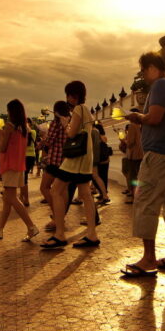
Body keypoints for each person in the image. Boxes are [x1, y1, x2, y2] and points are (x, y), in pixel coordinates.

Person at [122, 52, 165, 277]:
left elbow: (155, 117)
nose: (143, 75)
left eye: (143, 70)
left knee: (145, 202)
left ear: (152, 67)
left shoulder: (160, 85)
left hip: (160, 154)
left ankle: (148, 258)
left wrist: (137, 117)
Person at [41, 81, 100, 249]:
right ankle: (92, 234)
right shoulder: (87, 110)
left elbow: (71, 133)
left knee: (56, 190)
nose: (68, 99)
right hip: (86, 157)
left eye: (69, 95)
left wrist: (65, 122)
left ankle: (60, 234)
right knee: (85, 193)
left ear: (73, 95)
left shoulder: (79, 109)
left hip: (75, 158)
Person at [0, 100, 39, 242]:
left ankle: (31, 226)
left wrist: (0, 135)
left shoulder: (9, 126)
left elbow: (2, 148)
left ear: (11, 112)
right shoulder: (25, 128)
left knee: (12, 198)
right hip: (19, 164)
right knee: (7, 199)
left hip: (9, 164)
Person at [37, 101, 68, 208]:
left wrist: (42, 142)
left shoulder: (56, 123)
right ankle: (61, 214)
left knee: (44, 187)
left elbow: (49, 141)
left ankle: (56, 212)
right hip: (65, 161)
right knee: (61, 191)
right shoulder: (69, 121)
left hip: (55, 159)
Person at [124, 110, 144, 204]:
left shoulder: (132, 126)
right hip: (140, 154)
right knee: (138, 176)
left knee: (132, 177)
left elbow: (130, 142)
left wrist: (125, 141)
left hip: (133, 155)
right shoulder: (140, 126)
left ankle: (134, 197)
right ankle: (139, 196)